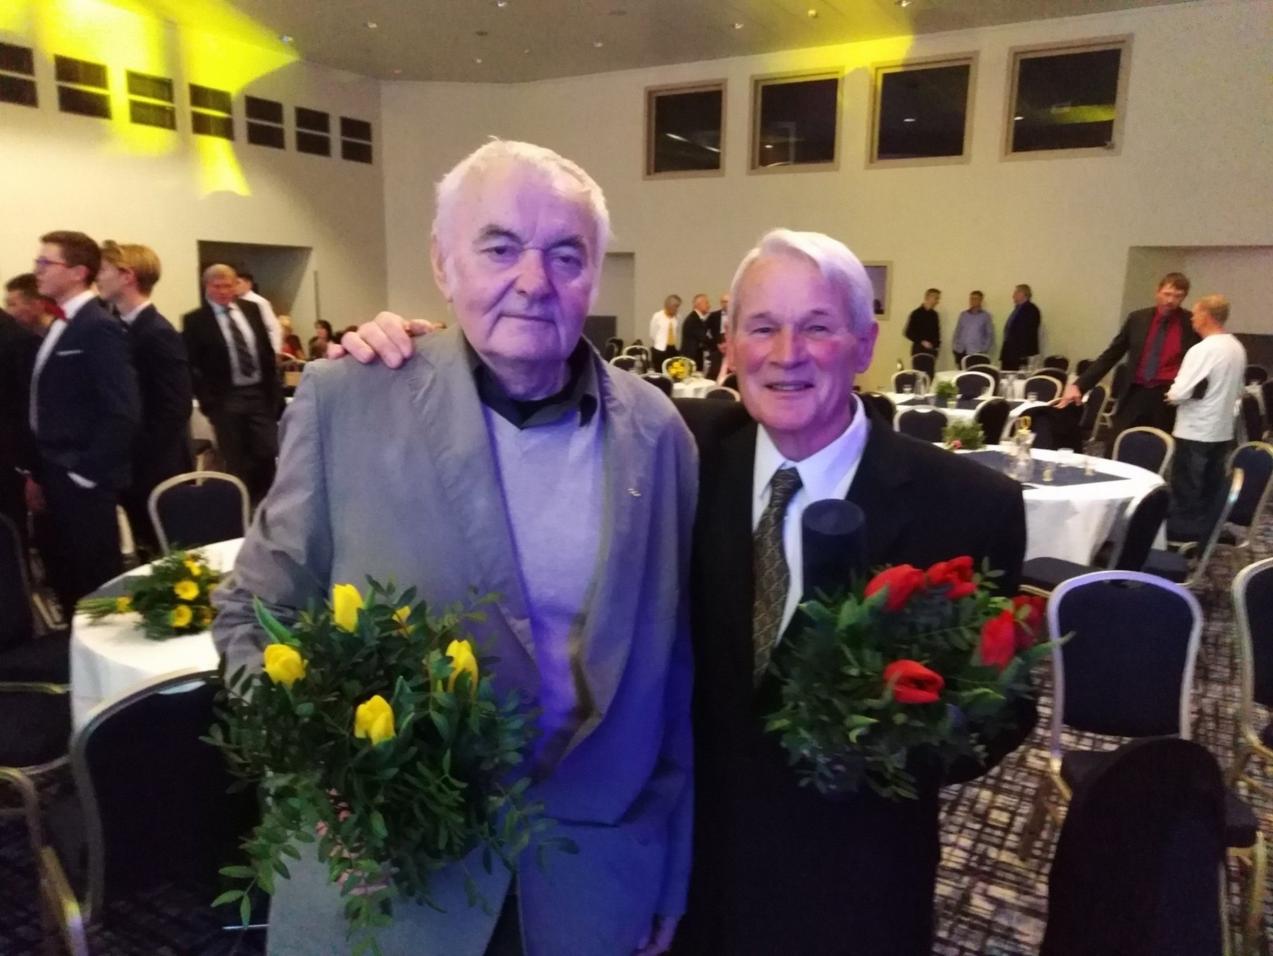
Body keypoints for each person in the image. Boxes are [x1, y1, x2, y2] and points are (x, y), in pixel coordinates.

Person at [337, 229, 1029, 956]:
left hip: (855, 885)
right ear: (728, 343)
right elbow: (534, 381)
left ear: (864, 343)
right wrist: (416, 356)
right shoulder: (678, 449)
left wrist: (890, 737)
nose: (786, 353)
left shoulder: (967, 505)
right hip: (694, 878)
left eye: (817, 327)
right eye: (761, 327)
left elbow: (1002, 709)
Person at [212, 139, 696, 956]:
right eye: (499, 247)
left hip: (588, 876)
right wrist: (327, 765)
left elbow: (671, 674)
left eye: (565, 255)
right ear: (442, 264)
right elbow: (251, 617)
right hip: (388, 879)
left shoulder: (658, 432)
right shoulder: (348, 398)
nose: (534, 281)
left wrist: (667, 868)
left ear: (593, 274)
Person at [28, 231, 140, 611]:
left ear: (78, 272)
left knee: (95, 581)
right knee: (68, 577)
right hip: (55, 470)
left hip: (82, 476)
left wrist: (86, 472)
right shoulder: (61, 323)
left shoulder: (98, 325)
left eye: (46, 263)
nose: (37, 270)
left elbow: (123, 409)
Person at [97, 241, 193, 555]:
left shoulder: (157, 332)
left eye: (104, 270)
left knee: (164, 551)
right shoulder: (120, 327)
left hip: (154, 465)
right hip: (136, 464)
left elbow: (174, 407)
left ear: (127, 276)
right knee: (146, 547)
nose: (98, 277)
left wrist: (136, 452)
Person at [182, 264, 279, 504]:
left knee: (267, 450)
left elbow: (265, 351)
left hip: (258, 393)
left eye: (228, 285)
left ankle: (269, 504)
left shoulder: (252, 310)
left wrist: (274, 393)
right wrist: (208, 403)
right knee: (236, 458)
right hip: (225, 398)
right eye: (218, 286)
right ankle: (243, 507)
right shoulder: (196, 320)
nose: (224, 291)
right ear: (207, 287)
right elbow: (192, 365)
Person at [1060, 272, 1198, 439]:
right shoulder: (1138, 319)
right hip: (1135, 392)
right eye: (1167, 294)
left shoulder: (1190, 323)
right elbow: (1112, 354)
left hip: (1167, 396)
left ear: (1184, 297)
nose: (1170, 300)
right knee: (1117, 442)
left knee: (1159, 446)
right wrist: (1080, 385)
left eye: (1177, 296)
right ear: (1158, 291)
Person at [1164, 294, 1246, 542]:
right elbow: (1239, 389)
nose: (1192, 318)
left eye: (1195, 313)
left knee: (1187, 487)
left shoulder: (1202, 350)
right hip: (1221, 428)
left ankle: (1183, 536)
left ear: (1206, 316)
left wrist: (1171, 395)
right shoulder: (1236, 347)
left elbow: (1180, 392)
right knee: (1210, 485)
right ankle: (1206, 533)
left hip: (1195, 428)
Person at [0, 284, 39, 552]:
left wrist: (30, 470)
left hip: (9, 460)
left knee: (10, 539)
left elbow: (26, 409)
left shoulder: (17, 339)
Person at [235, 269, 283, 355]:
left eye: (238, 283)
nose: (235, 286)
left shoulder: (259, 302)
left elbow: (273, 327)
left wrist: (275, 351)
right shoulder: (232, 302)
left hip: (258, 348)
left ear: (248, 284)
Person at [999, 284, 1041, 371]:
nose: (1013, 295)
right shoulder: (1017, 309)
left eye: (1016, 292)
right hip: (1010, 352)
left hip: (1020, 353)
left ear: (1023, 294)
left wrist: (1022, 354)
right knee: (1006, 375)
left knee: (1019, 377)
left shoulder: (1031, 309)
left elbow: (1027, 333)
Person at [951, 289, 993, 368]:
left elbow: (989, 335)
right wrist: (955, 347)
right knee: (961, 373)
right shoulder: (963, 315)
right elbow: (957, 331)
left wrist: (983, 350)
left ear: (980, 300)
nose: (972, 301)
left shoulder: (985, 316)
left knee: (975, 372)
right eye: (971, 298)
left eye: (975, 299)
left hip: (976, 352)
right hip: (961, 351)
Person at [903, 288, 940, 359]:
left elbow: (936, 333)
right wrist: (922, 342)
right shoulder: (916, 313)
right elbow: (908, 333)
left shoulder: (935, 315)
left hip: (931, 352)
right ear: (929, 297)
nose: (937, 301)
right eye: (936, 298)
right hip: (918, 350)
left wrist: (936, 347)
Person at [680, 293, 712, 374]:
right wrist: (718, 346)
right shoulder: (693, 320)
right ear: (698, 304)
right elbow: (703, 338)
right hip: (691, 358)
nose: (709, 306)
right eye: (706, 303)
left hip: (694, 357)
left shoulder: (697, 318)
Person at [649, 294, 681, 372]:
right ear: (669, 305)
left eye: (678, 306)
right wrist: (659, 342)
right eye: (675, 306)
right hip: (660, 349)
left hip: (673, 348)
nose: (677, 309)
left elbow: (677, 332)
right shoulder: (657, 316)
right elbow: (652, 333)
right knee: (660, 372)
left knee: (673, 372)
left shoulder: (678, 317)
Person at [704, 293, 728, 379]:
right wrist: (713, 343)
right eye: (724, 302)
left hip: (731, 346)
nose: (726, 304)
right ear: (721, 303)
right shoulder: (713, 315)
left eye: (728, 301)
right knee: (715, 369)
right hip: (716, 346)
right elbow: (704, 330)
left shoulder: (737, 316)